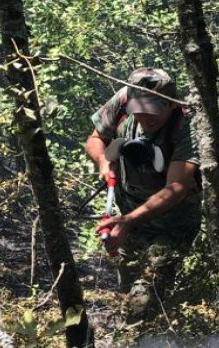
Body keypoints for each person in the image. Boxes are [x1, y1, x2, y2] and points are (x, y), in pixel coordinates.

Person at [86, 67, 201, 315]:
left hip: (171, 224)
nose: (146, 118)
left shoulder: (187, 125)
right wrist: (104, 163)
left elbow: (177, 187)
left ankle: (147, 344)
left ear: (171, 105)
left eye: (154, 112)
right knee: (128, 286)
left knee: (146, 296)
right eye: (139, 111)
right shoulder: (122, 99)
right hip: (128, 213)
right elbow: (95, 138)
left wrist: (128, 221)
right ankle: (136, 334)